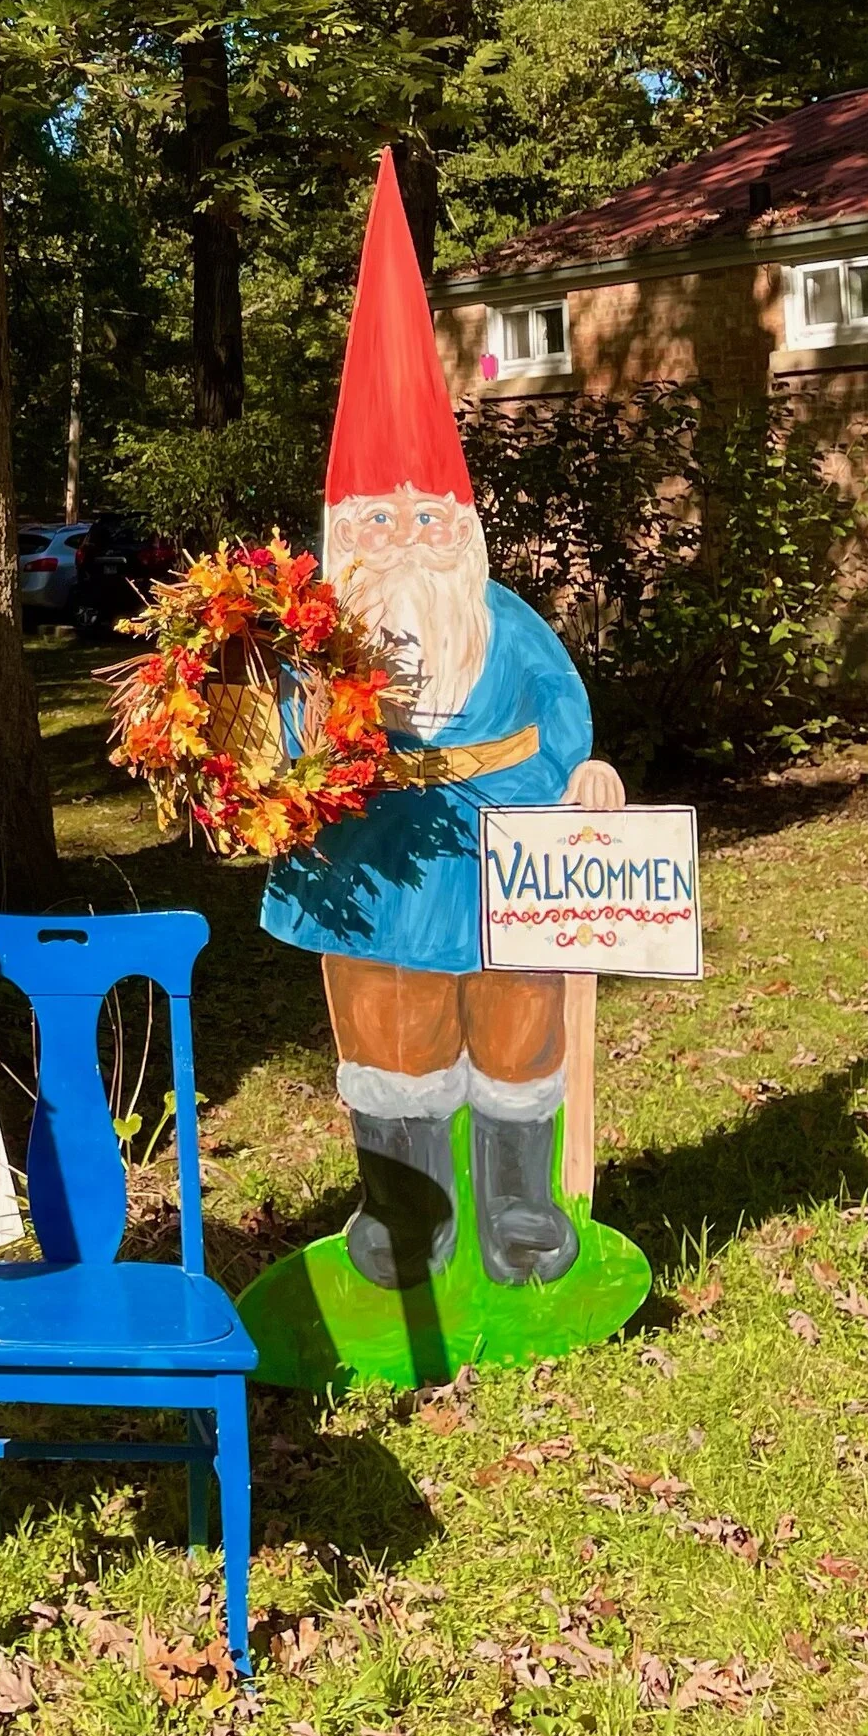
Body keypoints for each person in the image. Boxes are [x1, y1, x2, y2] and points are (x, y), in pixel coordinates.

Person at [261, 156, 624, 1289]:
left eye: (429, 517)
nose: (409, 537)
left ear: (460, 526)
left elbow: (563, 715)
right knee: (390, 1037)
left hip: (506, 854)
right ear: (344, 528)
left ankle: (520, 1209)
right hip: (368, 859)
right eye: (382, 518)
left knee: (516, 1031)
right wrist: (263, 770)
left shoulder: (504, 623)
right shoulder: (310, 625)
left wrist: (590, 777)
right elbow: (270, 728)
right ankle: (406, 1217)